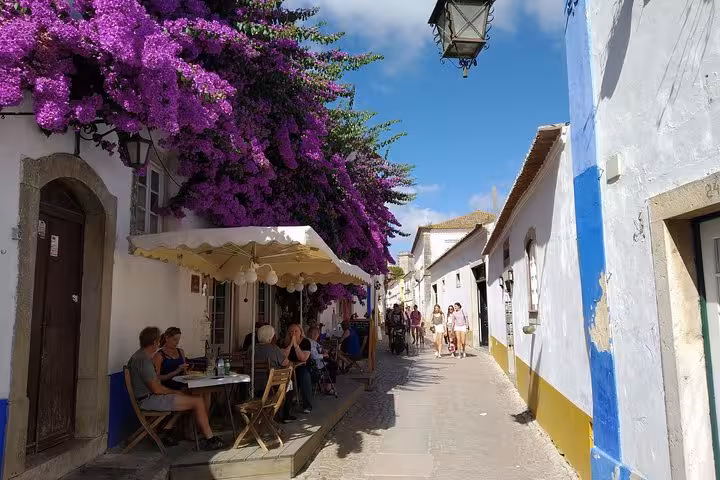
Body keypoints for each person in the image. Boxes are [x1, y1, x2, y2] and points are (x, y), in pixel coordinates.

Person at [128, 327, 224, 450]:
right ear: (154, 342)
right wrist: (175, 392)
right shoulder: (144, 360)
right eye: (158, 340)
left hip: (147, 397)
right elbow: (157, 389)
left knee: (193, 396)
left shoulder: (139, 356)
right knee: (197, 401)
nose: (159, 343)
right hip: (148, 400)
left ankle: (170, 430)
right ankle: (210, 438)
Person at [254, 325, 295, 423]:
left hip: (253, 384)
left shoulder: (252, 348)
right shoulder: (273, 349)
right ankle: (284, 414)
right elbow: (286, 363)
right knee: (289, 380)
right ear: (271, 337)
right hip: (271, 385)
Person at [285, 323, 313, 414]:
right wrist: (290, 345)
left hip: (303, 367)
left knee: (304, 376)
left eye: (296, 331)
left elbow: (303, 358)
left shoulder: (305, 342)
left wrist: (296, 345)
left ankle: (307, 405)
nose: (293, 333)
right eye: (291, 332)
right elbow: (283, 357)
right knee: (288, 378)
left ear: (301, 332)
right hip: (289, 367)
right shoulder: (284, 342)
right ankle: (287, 406)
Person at [152, 327, 188, 391]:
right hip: (168, 388)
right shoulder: (159, 356)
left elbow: (185, 373)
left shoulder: (180, 351)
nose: (177, 342)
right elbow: (156, 377)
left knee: (201, 392)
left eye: (178, 340)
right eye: (174, 339)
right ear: (167, 338)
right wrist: (176, 371)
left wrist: (188, 372)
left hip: (183, 385)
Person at [307, 326, 337, 395]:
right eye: (313, 333)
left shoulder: (314, 342)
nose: (315, 335)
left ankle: (327, 385)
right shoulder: (309, 342)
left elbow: (319, 349)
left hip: (319, 361)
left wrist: (324, 351)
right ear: (309, 333)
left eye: (317, 333)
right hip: (315, 364)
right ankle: (328, 387)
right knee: (333, 365)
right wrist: (323, 355)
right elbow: (314, 356)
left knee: (333, 362)